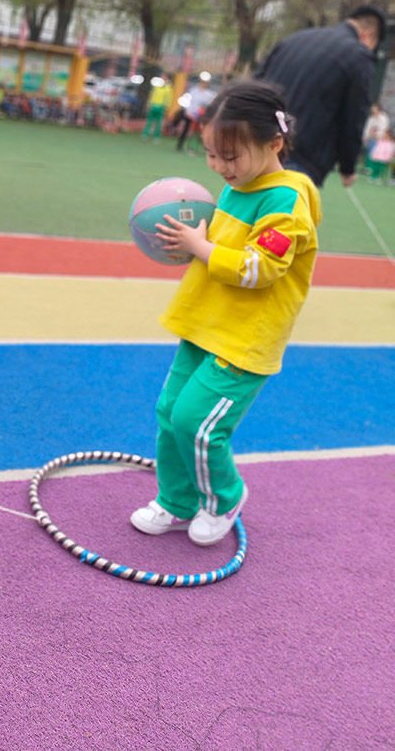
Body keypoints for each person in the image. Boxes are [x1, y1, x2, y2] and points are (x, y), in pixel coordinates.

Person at [131, 80, 321, 546]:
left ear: (274, 143)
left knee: (199, 422)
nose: (219, 167)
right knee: (171, 412)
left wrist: (200, 246)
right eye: (212, 155)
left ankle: (224, 497)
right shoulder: (239, 184)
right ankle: (177, 501)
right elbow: (218, 246)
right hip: (204, 323)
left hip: (244, 337)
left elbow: (261, 268)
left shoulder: (287, 198)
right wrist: (189, 241)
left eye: (230, 156)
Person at [254, 5, 387, 187]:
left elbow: (254, 85)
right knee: (283, 213)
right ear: (367, 35)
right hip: (301, 155)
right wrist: (348, 167)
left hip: (257, 145)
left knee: (244, 211)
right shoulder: (358, 55)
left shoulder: (294, 39)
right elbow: (354, 116)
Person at [176, 75, 215, 152]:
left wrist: (201, 113)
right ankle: (180, 145)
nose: (203, 84)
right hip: (190, 114)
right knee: (186, 129)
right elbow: (188, 102)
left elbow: (208, 105)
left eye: (205, 83)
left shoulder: (209, 94)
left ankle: (195, 147)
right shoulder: (193, 91)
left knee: (197, 133)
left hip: (200, 116)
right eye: (202, 82)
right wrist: (188, 112)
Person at [141, 74, 173, 140]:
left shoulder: (168, 88)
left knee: (159, 123)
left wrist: (166, 107)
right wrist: (149, 104)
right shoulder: (156, 86)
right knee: (149, 121)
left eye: (164, 77)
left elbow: (168, 98)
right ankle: (145, 134)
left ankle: (156, 136)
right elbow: (152, 95)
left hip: (161, 107)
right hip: (153, 105)